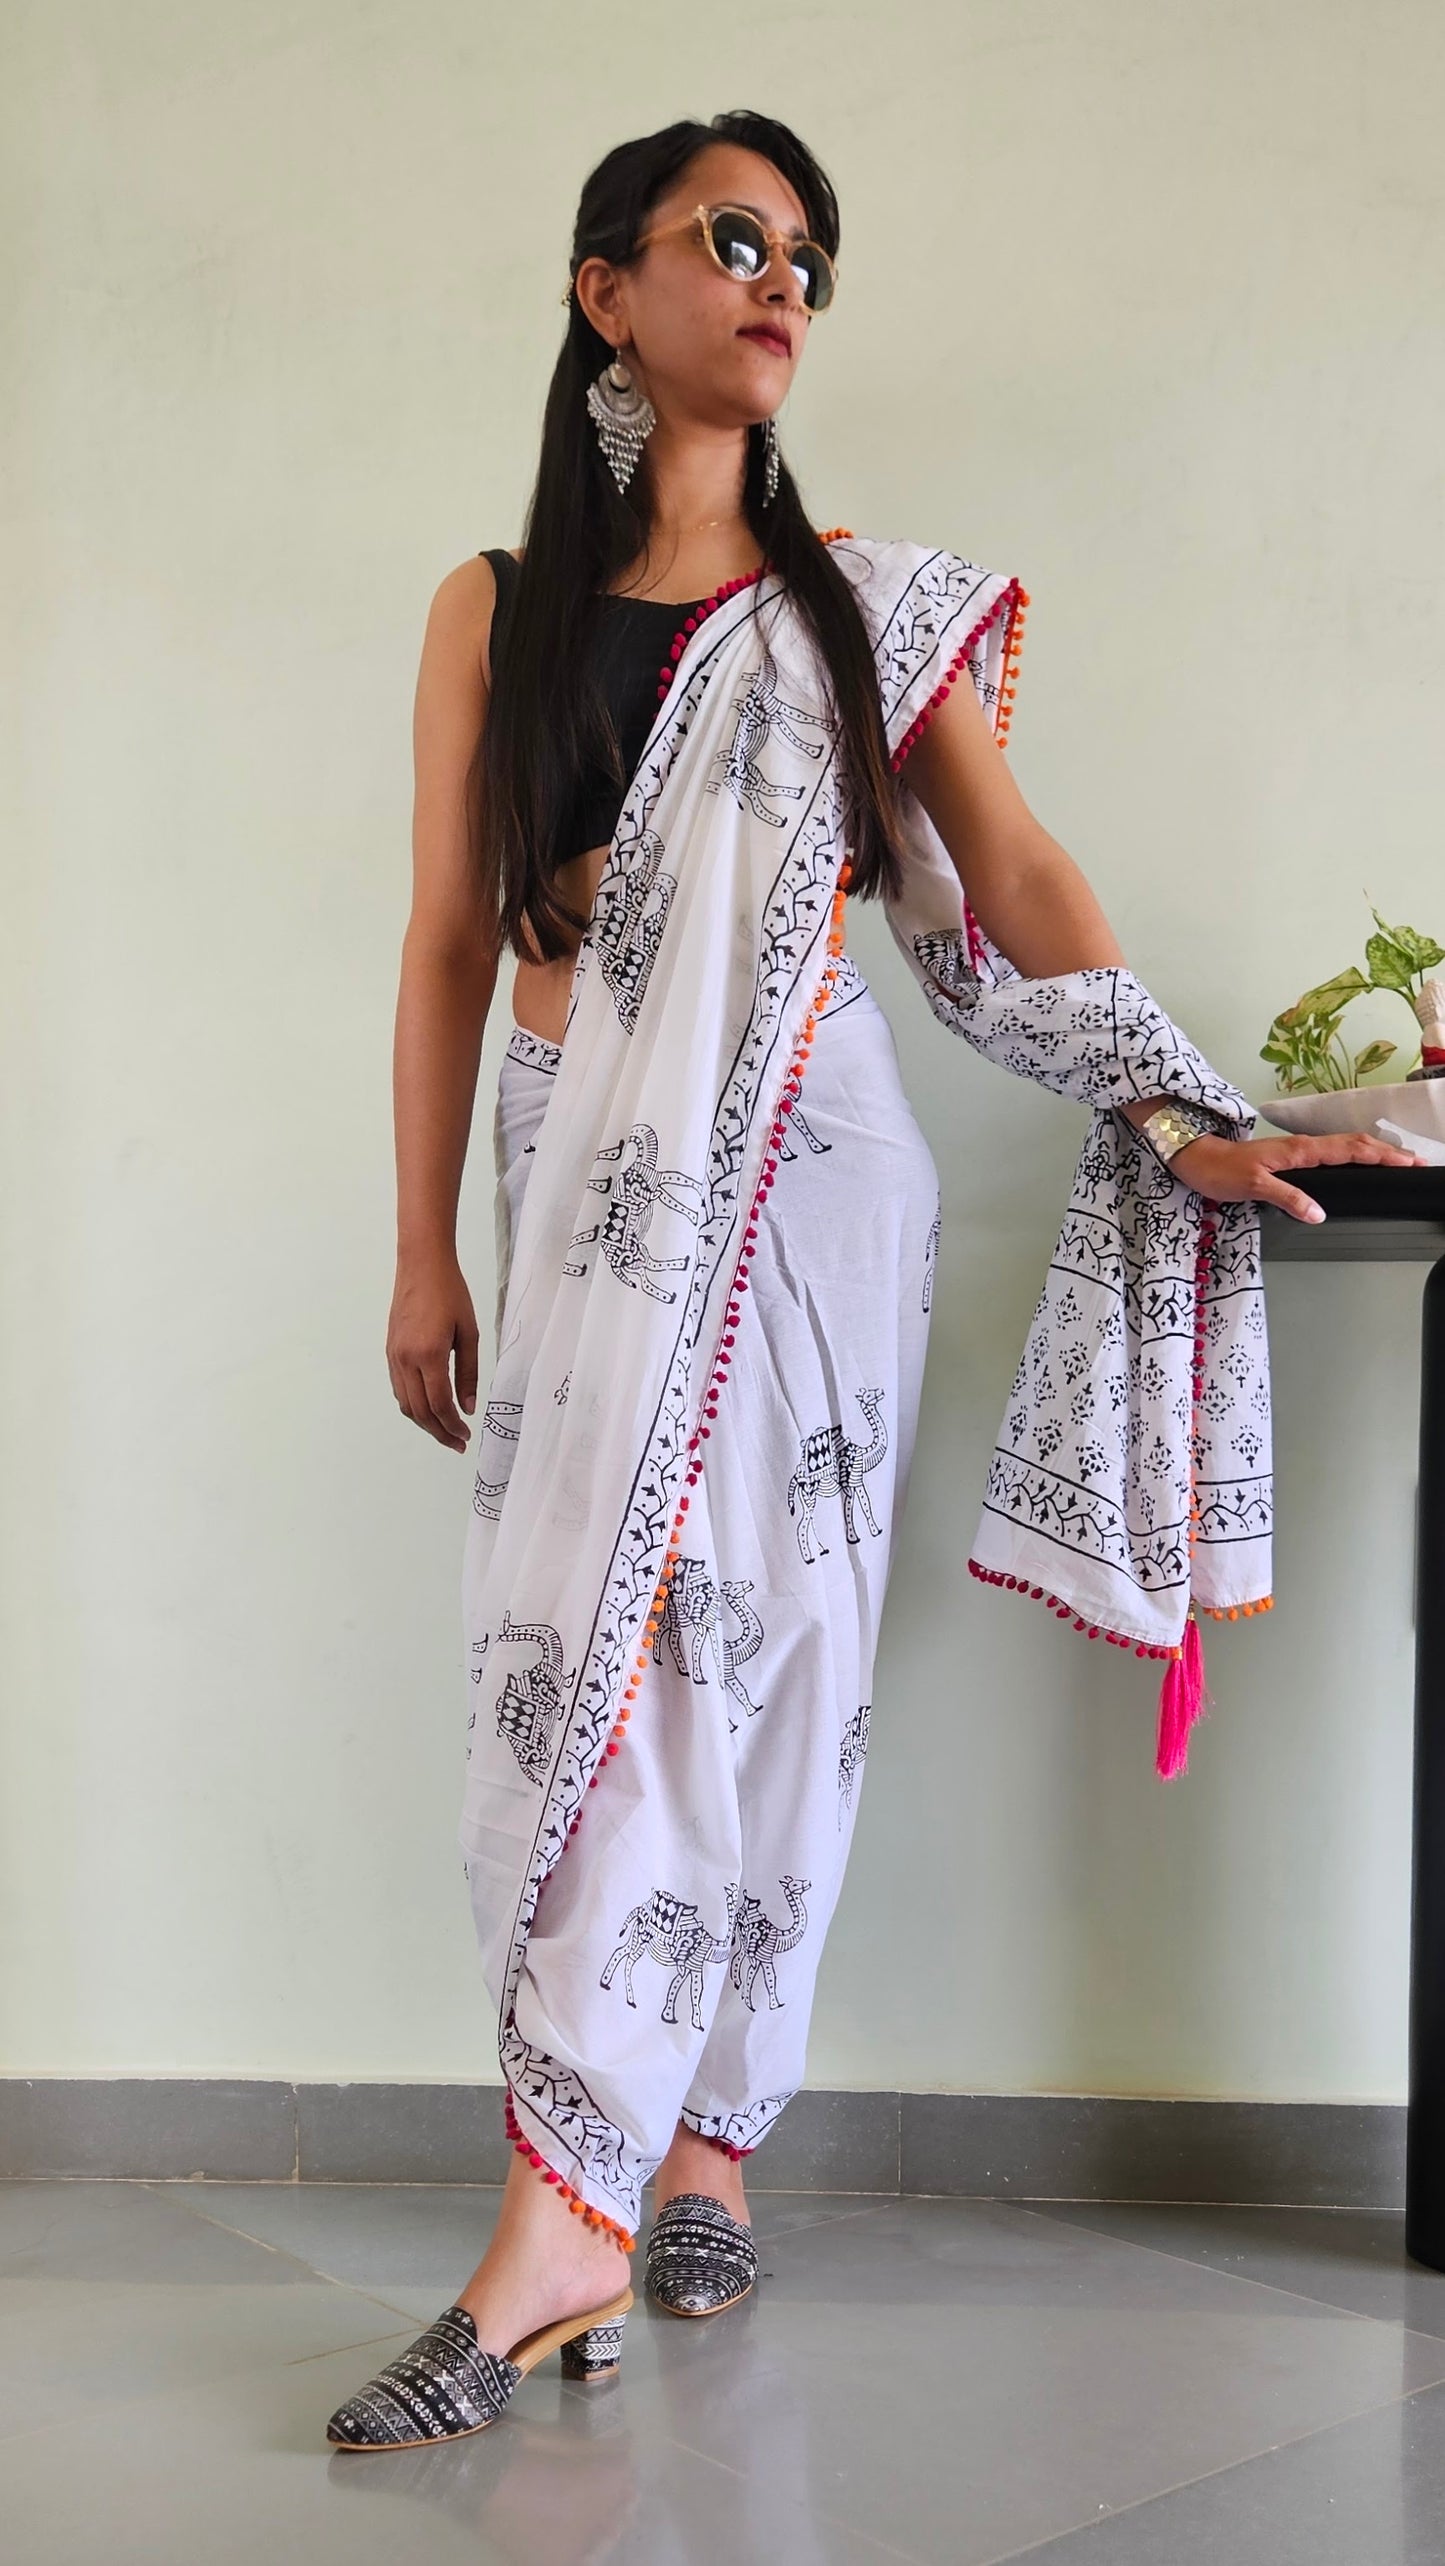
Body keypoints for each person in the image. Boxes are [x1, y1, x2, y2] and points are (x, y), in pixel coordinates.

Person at [327, 109, 1426, 2452]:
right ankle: (595, 2170)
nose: (780, 275)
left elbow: (1014, 880)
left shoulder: (860, 612)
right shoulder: (494, 607)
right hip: (573, 1174)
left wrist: (1174, 1093)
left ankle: (658, 2165)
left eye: (808, 248)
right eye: (730, 237)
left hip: (812, 1177)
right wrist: (416, 1236)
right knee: (583, 1654)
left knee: (774, 1653)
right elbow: (443, 937)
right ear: (605, 289)